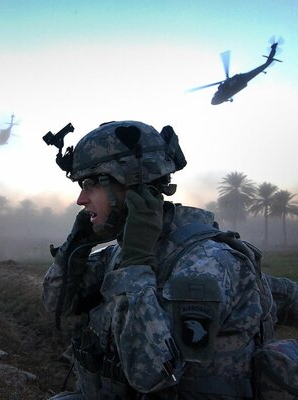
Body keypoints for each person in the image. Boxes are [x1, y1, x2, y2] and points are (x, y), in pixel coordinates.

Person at [42, 120, 298, 399]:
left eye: (89, 185)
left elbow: (151, 374)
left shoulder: (204, 264)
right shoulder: (121, 253)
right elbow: (57, 303)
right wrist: (75, 245)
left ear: (132, 187)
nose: (81, 200)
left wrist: (137, 266)